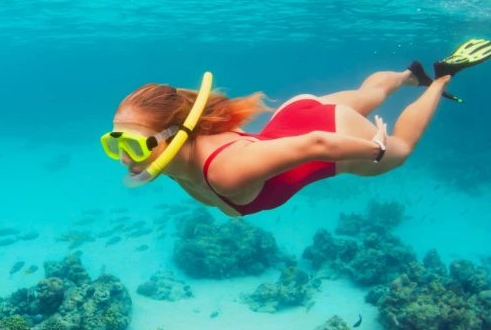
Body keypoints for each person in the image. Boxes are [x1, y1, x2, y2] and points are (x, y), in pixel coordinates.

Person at [101, 39, 491, 217]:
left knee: (400, 151)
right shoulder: (171, 157)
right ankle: (410, 75)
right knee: (367, 95)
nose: (122, 158)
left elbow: (314, 145)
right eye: (113, 142)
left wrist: (373, 148)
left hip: (318, 133)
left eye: (133, 146)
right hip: (295, 115)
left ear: (174, 134)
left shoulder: (224, 170)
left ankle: (441, 76)